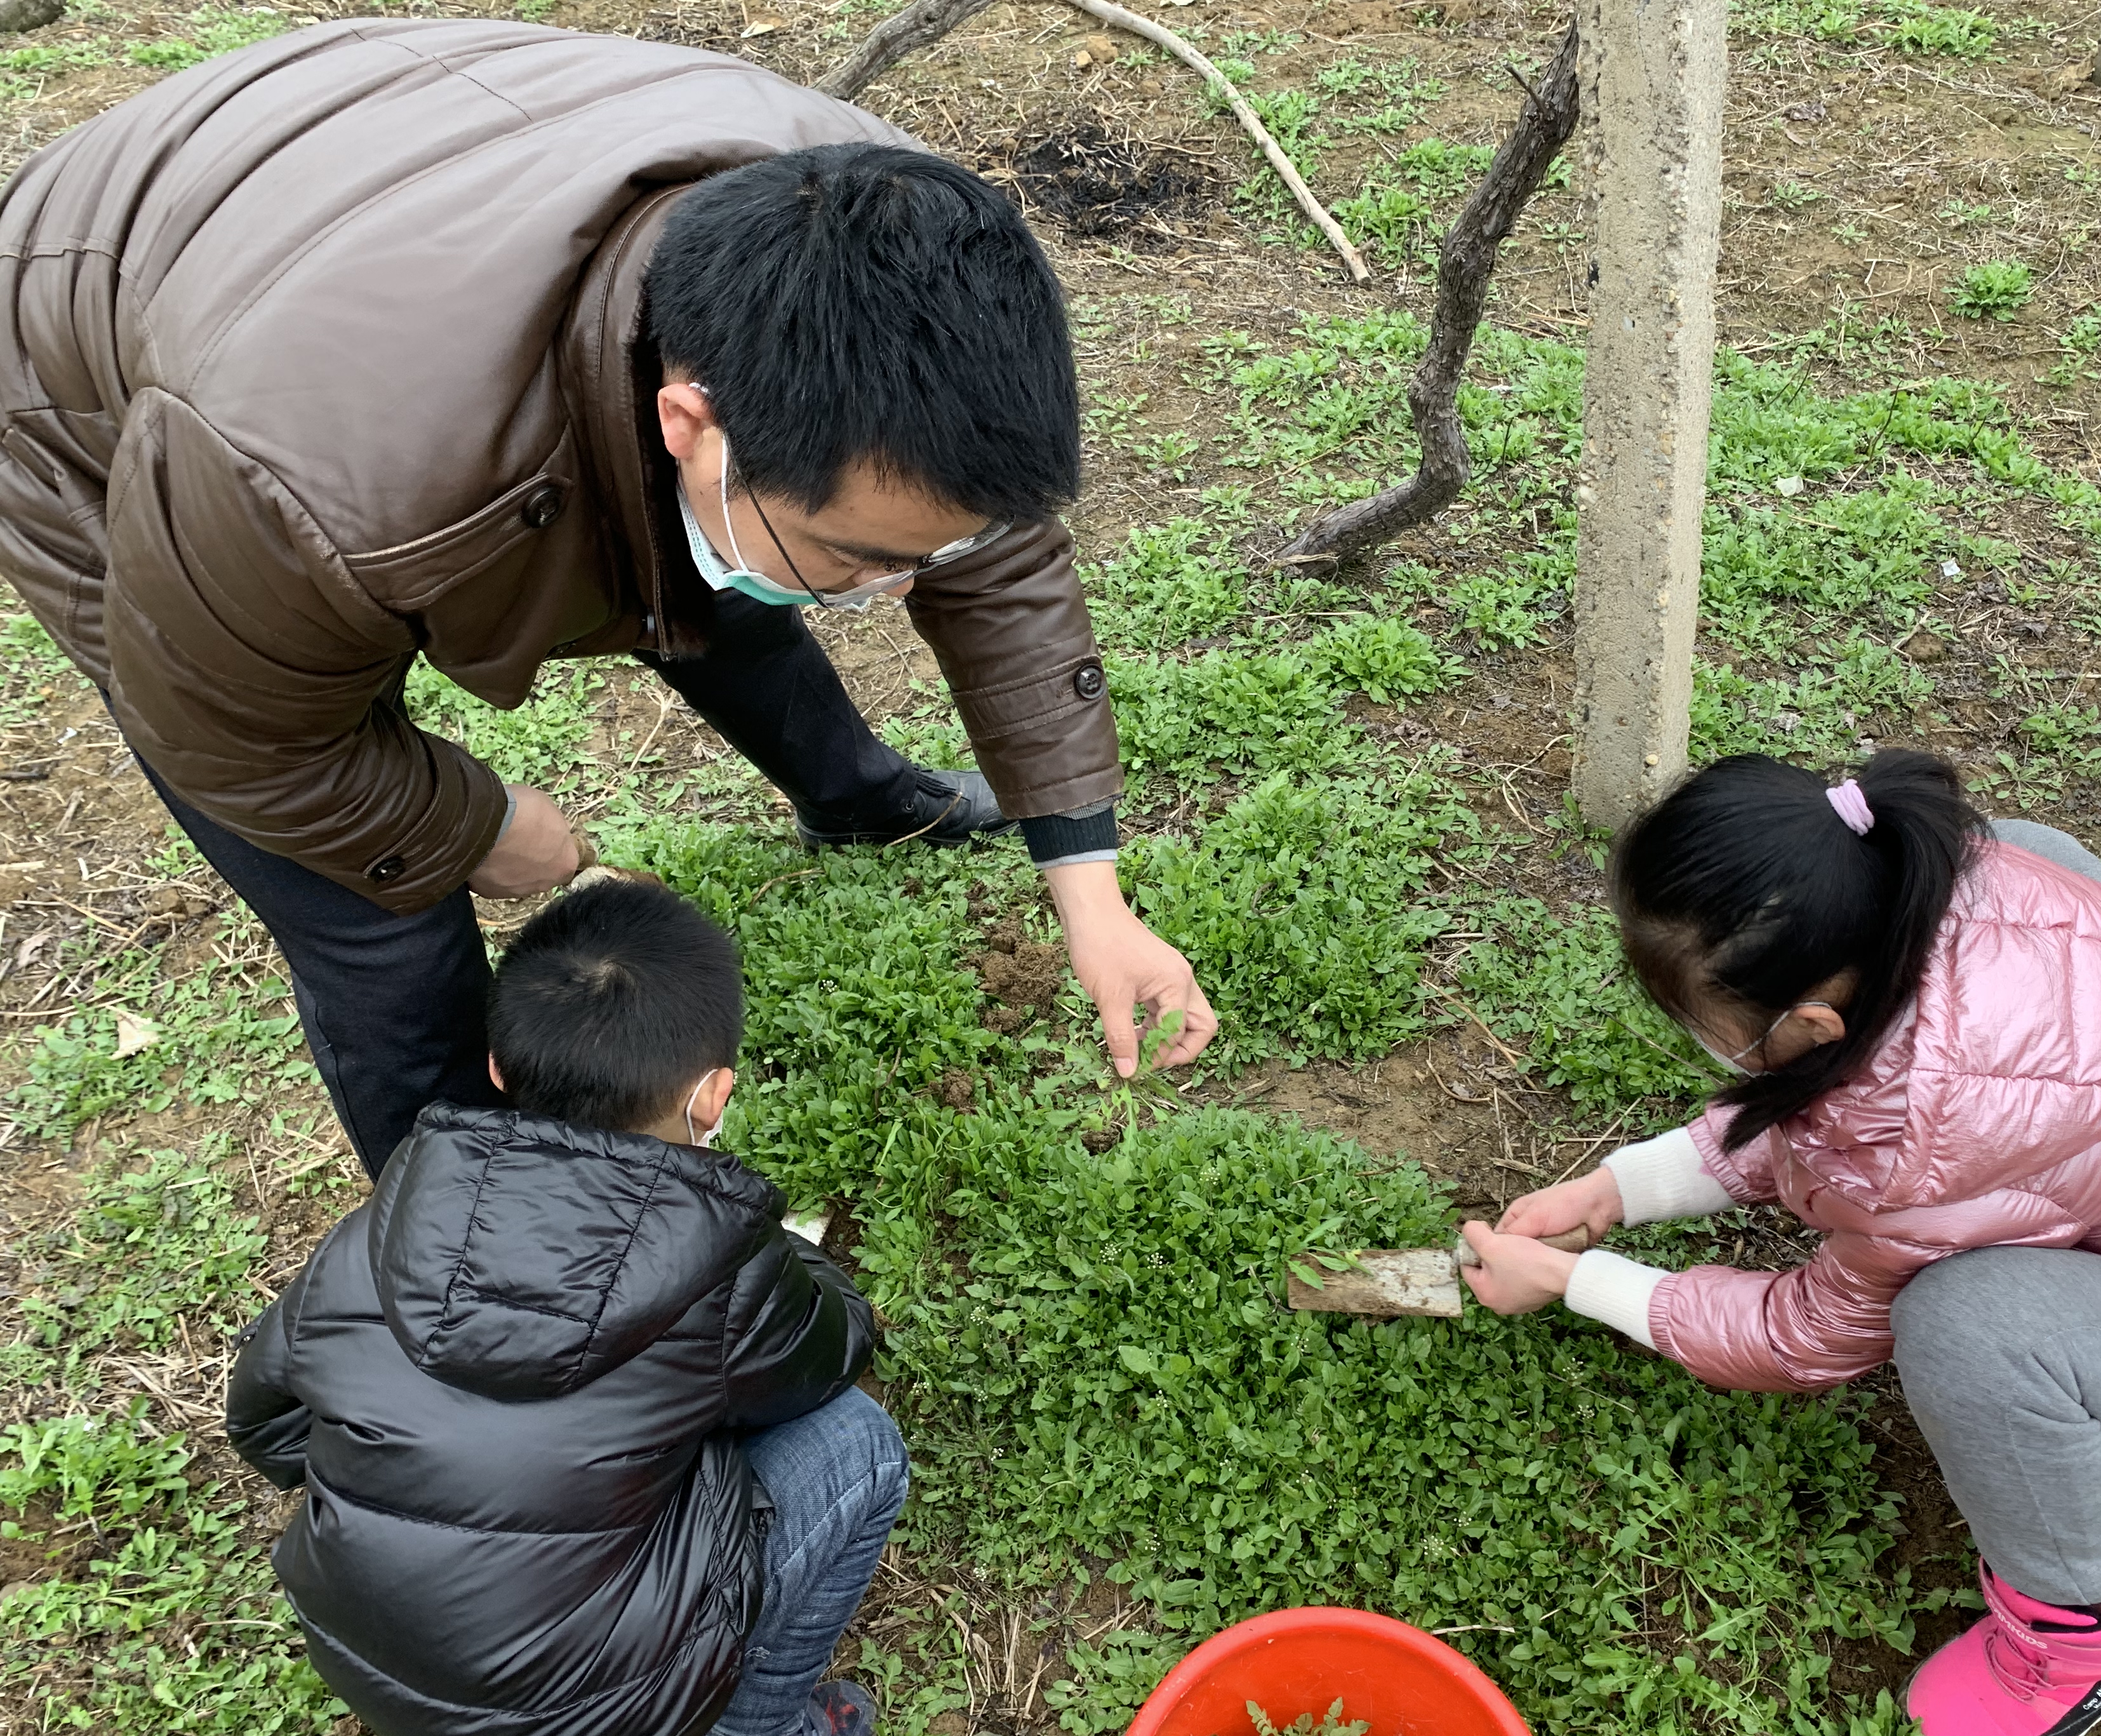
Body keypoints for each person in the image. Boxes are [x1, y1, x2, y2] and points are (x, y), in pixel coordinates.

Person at [0, 20, 1214, 1180]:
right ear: (687, 421)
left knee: (725, 562)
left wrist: (1090, 893)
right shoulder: (310, 482)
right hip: (82, 330)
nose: (897, 589)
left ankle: (855, 798)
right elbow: (244, 741)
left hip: (395, 144)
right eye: (864, 558)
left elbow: (981, 555)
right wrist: (466, 827)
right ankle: (473, 1240)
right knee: (377, 920)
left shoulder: (901, 250)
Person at [1460, 751, 2101, 1736]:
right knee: (2044, 857)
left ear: (1814, 1026)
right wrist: (1616, 1192)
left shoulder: (1918, 1141)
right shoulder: (1958, 879)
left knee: (1967, 1322)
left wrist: (1575, 1283)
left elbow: (1801, 1335)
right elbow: (1839, 1099)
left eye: (1714, 1034)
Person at [227, 880, 901, 1736]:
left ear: (498, 1068)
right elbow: (836, 1347)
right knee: (855, 1447)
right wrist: (788, 1262)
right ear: (712, 1094)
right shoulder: (726, 1268)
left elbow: (270, 1424)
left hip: (368, 1656)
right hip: (577, 1722)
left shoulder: (385, 1219)